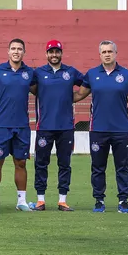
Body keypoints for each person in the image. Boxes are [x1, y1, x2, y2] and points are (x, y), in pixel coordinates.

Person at [74, 41, 128, 213]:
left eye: (110, 51)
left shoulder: (127, 75)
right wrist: (56, 94)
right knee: (97, 167)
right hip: (98, 130)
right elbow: (79, 95)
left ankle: (123, 201)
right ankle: (99, 200)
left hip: (122, 130)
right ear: (100, 54)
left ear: (116, 53)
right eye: (104, 51)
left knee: (123, 167)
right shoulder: (92, 74)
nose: (107, 54)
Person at [30, 40, 85, 211]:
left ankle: (62, 200)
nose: (54, 55)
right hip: (44, 126)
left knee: (64, 163)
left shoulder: (71, 72)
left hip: (66, 127)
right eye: (51, 52)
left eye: (57, 52)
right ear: (46, 54)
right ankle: (40, 200)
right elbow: (32, 88)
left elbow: (87, 85)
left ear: (61, 53)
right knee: (41, 163)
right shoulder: (38, 72)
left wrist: (73, 98)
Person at [0, 38, 35, 212]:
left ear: (24, 52)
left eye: (19, 49)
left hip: (22, 125)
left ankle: (21, 201)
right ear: (8, 51)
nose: (16, 51)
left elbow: (41, 92)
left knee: (21, 162)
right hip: (1, 125)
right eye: (13, 48)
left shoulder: (30, 73)